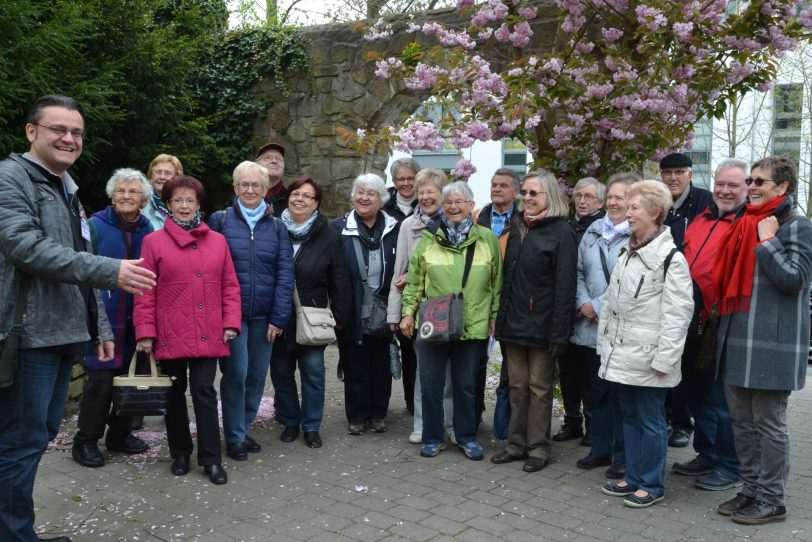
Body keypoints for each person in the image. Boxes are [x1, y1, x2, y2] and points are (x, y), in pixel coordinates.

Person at [0, 95, 156, 542]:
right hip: (27, 335)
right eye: (58, 129)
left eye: (76, 132)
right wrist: (113, 270)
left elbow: (77, 258)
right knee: (19, 442)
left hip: (62, 334)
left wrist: (99, 328)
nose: (69, 139)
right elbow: (25, 247)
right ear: (32, 132)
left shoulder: (64, 186)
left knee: (39, 434)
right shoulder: (11, 178)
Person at [712, 156, 812, 525]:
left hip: (772, 345)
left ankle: (773, 499)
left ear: (782, 187)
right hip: (735, 338)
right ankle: (751, 489)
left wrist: (768, 241)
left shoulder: (796, 226)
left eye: (760, 182)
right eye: (750, 181)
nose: (751, 187)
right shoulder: (743, 223)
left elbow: (794, 281)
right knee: (742, 422)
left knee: (769, 424)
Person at [134, 175, 241, 485]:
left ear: (199, 205)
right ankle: (181, 453)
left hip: (210, 329)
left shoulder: (218, 241)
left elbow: (230, 286)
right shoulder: (153, 242)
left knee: (205, 393)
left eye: (190, 200)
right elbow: (144, 292)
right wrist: (145, 331)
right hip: (170, 332)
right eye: (177, 200)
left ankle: (211, 458)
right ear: (167, 205)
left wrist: (231, 322)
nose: (184, 206)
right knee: (174, 395)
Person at [598, 180, 694, 508]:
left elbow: (678, 316)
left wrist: (665, 360)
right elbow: (610, 305)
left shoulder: (670, 258)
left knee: (650, 421)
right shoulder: (629, 250)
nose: (628, 212)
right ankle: (635, 476)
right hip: (622, 353)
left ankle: (652, 483)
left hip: (650, 357)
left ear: (655, 212)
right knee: (629, 416)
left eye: (634, 207)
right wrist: (604, 346)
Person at [400, 181, 503, 461]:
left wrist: (494, 316)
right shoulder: (429, 239)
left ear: (471, 206)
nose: (454, 207)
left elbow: (497, 284)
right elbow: (415, 281)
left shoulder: (487, 239)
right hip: (436, 323)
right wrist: (408, 312)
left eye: (460, 202)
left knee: (466, 385)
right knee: (431, 384)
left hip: (474, 323)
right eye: (449, 203)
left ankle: (466, 436)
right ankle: (434, 437)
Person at [208, 162, 295, 460]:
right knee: (236, 374)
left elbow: (286, 274)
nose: (249, 190)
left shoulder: (277, 227)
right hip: (231, 316)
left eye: (255, 185)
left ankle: (242, 429)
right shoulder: (219, 221)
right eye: (243, 184)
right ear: (234, 188)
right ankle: (233, 436)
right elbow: (208, 270)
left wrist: (278, 317)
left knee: (257, 376)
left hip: (264, 316)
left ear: (265, 189)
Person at [491, 171, 577, 472]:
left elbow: (565, 287)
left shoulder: (562, 232)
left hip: (542, 326)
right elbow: (507, 279)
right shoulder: (515, 228)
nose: (526, 198)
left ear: (549, 197)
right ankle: (515, 444)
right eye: (524, 192)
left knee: (539, 388)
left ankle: (538, 448)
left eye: (534, 193)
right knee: (516, 386)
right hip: (513, 324)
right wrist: (499, 321)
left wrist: (559, 332)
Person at [671, 159, 748, 491]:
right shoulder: (701, 220)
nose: (725, 191)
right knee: (698, 393)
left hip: (724, 322)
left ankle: (730, 464)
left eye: (734, 185)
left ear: (747, 188)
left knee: (721, 400)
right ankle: (706, 452)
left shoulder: (746, 223)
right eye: (721, 184)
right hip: (692, 321)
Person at [71, 169, 155, 468]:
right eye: (120, 191)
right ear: (112, 195)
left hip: (138, 321)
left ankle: (119, 435)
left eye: (133, 192)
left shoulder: (150, 232)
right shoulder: (94, 226)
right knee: (101, 383)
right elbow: (79, 268)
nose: (126, 196)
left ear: (144, 199)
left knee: (130, 381)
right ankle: (85, 441)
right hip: (103, 320)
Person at [270, 177, 353, 448]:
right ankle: (291, 421)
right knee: (281, 373)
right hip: (278, 315)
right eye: (295, 193)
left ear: (316, 203)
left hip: (312, 315)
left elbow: (339, 276)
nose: (300, 199)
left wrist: (340, 317)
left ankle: (312, 426)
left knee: (313, 373)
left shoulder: (328, 233)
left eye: (307, 196)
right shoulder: (273, 228)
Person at [573, 172, 637, 479]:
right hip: (589, 326)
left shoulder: (639, 234)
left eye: (620, 197)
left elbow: (631, 281)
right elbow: (578, 272)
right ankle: (599, 448)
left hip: (620, 327)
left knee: (618, 396)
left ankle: (622, 454)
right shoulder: (593, 231)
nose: (613, 202)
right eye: (610, 196)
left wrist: (597, 306)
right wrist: (584, 302)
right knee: (595, 392)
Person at [386, 168, 451, 444]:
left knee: (450, 374)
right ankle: (422, 424)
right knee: (425, 372)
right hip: (423, 308)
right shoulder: (408, 226)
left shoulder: (457, 224)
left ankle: (448, 425)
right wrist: (395, 312)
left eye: (430, 192)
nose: (424, 197)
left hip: (452, 306)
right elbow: (399, 269)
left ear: (443, 195)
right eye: (421, 191)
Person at [333, 173, 399, 435]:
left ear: (381, 200)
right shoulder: (338, 228)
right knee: (354, 361)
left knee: (380, 362)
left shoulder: (395, 228)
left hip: (383, 306)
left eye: (371, 193)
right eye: (360, 192)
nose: (364, 197)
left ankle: (378, 414)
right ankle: (357, 416)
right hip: (351, 307)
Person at [659, 152, 713, 448]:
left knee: (687, 361)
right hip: (660, 292)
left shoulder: (705, 202)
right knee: (664, 357)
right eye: (668, 173)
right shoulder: (658, 203)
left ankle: (683, 422)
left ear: (690, 174)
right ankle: (665, 418)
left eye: (679, 172)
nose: (673, 178)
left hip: (694, 295)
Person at [554, 176, 607, 444]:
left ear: (601, 200)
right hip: (567, 311)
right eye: (578, 195)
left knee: (590, 375)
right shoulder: (566, 227)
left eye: (588, 196)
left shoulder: (602, 230)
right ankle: (571, 421)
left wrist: (587, 304)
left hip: (592, 312)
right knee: (568, 372)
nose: (582, 201)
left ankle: (594, 426)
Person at [474, 167, 522, 430]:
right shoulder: (476, 219)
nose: (496, 189)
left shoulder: (523, 221)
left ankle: (504, 424)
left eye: (503, 185)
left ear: (516, 191)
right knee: (475, 362)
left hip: (511, 301)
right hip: (479, 301)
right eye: (494, 184)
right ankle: (473, 414)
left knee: (509, 366)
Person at [382, 158, 421, 416]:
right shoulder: (385, 206)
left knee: (419, 347)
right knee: (404, 349)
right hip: (391, 284)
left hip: (419, 285)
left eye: (411, 178)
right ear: (394, 182)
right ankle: (410, 401)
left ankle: (422, 400)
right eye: (401, 179)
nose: (406, 183)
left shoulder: (429, 204)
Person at [142, 154, 184, 230]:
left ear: (177, 177)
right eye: (158, 172)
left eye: (167, 173)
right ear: (151, 175)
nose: (162, 177)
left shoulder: (185, 203)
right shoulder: (141, 202)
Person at [256, 142, 288, 216]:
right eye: (267, 157)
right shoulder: (243, 196)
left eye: (278, 158)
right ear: (257, 164)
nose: (274, 161)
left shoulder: (292, 200)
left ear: (283, 165)